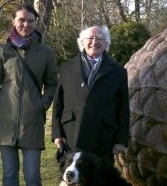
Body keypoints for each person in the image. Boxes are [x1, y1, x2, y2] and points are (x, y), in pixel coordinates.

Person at [0, 4, 58, 186]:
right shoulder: (2, 51)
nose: (25, 24)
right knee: (8, 174)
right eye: (21, 20)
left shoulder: (45, 52)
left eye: (30, 21)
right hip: (4, 123)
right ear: (14, 22)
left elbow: (53, 84)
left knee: (33, 175)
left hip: (32, 123)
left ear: (36, 24)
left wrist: (42, 105)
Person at [52, 25, 130, 164]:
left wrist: (121, 140)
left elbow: (123, 109)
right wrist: (57, 133)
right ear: (82, 42)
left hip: (103, 137)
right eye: (90, 38)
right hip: (72, 134)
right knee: (73, 181)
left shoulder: (118, 72)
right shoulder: (67, 68)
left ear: (106, 43)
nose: (94, 42)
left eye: (100, 38)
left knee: (100, 180)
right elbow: (58, 103)